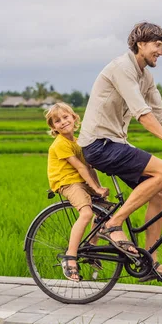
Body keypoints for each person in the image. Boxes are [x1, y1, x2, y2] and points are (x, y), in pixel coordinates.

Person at [78, 22, 162, 282]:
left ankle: (151, 259)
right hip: (98, 144)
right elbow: (143, 114)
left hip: (114, 142)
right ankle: (112, 224)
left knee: (161, 192)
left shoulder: (145, 76)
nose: (161, 52)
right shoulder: (122, 69)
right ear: (141, 44)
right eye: (157, 45)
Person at [45, 102, 109, 282]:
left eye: (66, 117)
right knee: (87, 212)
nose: (63, 122)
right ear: (53, 127)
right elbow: (80, 167)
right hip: (67, 182)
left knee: (105, 210)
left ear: (74, 118)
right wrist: (95, 188)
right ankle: (70, 256)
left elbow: (89, 167)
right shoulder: (60, 144)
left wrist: (98, 187)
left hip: (81, 180)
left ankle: (91, 247)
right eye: (57, 121)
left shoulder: (79, 141)